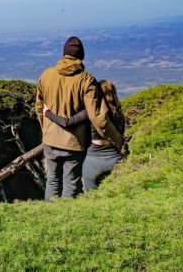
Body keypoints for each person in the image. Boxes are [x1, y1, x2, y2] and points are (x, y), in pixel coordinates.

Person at [35, 36, 125, 200]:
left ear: (64, 54)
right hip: (74, 144)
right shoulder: (86, 80)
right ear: (81, 56)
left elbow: (39, 108)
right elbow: (98, 118)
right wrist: (120, 142)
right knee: (71, 184)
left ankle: (48, 216)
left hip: (50, 140)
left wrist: (46, 131)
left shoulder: (45, 75)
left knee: (52, 181)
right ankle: (66, 221)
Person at [42, 80, 128, 192]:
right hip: (116, 159)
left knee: (92, 197)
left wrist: (47, 113)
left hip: (93, 162)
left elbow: (67, 123)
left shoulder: (90, 112)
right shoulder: (118, 113)